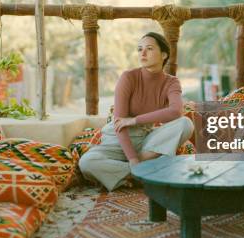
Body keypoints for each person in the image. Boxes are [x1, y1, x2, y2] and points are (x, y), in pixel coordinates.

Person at [79, 32, 194, 191]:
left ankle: (127, 173)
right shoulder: (128, 78)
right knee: (86, 163)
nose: (143, 53)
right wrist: (133, 160)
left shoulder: (171, 82)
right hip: (117, 141)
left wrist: (135, 120)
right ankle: (144, 172)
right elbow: (120, 124)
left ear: (164, 54)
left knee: (186, 124)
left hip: (145, 141)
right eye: (140, 49)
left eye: (149, 48)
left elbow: (175, 112)